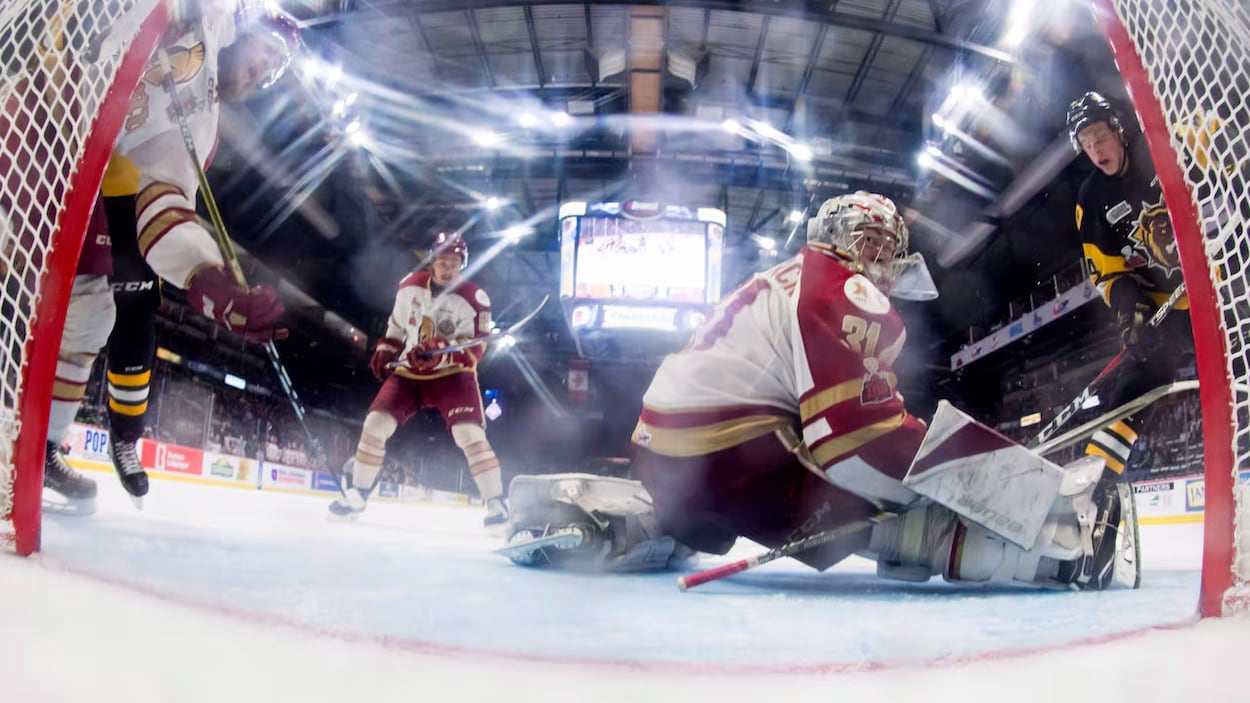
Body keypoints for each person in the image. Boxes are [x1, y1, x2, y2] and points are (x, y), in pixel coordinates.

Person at [503, 192, 1130, 590]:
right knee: (901, 518)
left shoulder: (785, 277)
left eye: (887, 246)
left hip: (671, 456)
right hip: (729, 456)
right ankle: (1066, 552)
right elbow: (858, 443)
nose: (878, 259)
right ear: (832, 237)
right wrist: (1012, 484)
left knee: (822, 488)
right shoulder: (844, 289)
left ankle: (631, 521)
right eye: (868, 241)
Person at [94, 1, 296, 501]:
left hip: (110, 194)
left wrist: (208, 276)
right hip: (54, 140)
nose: (263, 69)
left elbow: (164, 200)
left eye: (273, 69)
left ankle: (102, 442)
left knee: (104, 316)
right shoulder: (213, 17)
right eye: (266, 52)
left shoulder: (205, 124)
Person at [329, 232, 508, 528]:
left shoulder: (475, 298)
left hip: (453, 376)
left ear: (462, 264)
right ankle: (357, 495)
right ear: (433, 260)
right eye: (442, 261)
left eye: (454, 262)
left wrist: (440, 352)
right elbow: (397, 326)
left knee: (469, 435)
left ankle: (495, 504)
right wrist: (386, 351)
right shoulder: (409, 286)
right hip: (410, 372)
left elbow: (475, 348)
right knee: (375, 425)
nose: (447, 268)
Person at [1066, 91, 1193, 480]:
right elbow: (1106, 271)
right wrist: (1129, 308)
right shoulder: (1091, 198)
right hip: (1164, 306)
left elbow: (1223, 153)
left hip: (1219, 288)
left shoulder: (1164, 144)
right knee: (1137, 381)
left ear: (1118, 130)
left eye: (1099, 136)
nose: (1095, 149)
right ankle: (1097, 487)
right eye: (1086, 144)